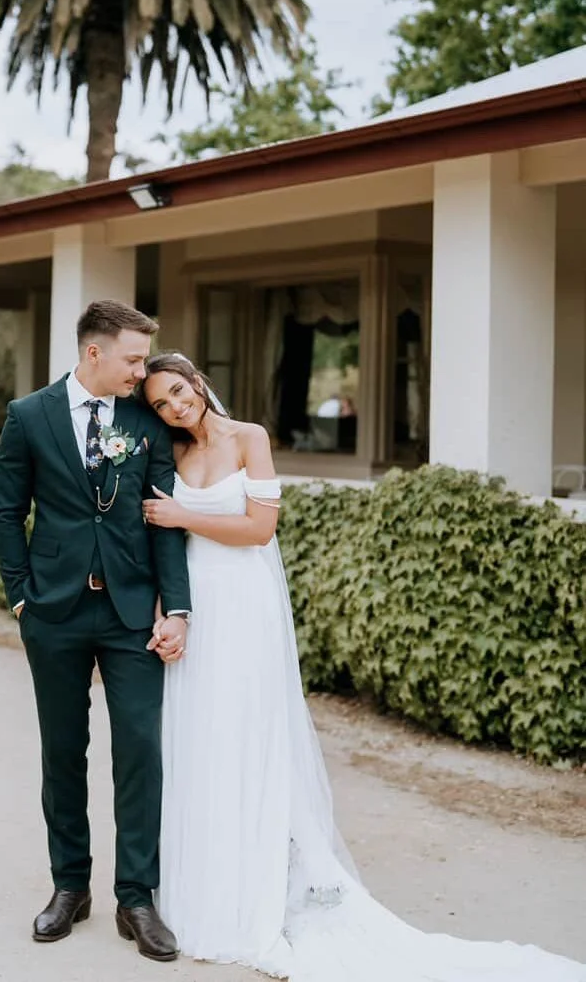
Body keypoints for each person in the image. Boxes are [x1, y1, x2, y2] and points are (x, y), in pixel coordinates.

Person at [139, 352, 586, 982]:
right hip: (197, 606)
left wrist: (184, 514)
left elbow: (260, 529)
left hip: (243, 602)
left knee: (249, 736)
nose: (174, 407)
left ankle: (262, 886)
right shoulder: (173, 453)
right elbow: (164, 544)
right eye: (160, 404)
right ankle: (207, 887)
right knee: (201, 740)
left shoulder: (249, 438)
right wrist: (168, 611)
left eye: (178, 392)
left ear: (197, 382)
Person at [0, 302, 191, 963]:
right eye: (133, 358)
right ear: (94, 352)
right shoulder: (29, 416)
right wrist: (21, 596)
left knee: (140, 750)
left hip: (133, 613)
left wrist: (177, 608)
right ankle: (70, 886)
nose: (141, 371)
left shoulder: (144, 421)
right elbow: (7, 512)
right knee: (62, 751)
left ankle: (136, 896)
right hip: (54, 611)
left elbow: (164, 518)